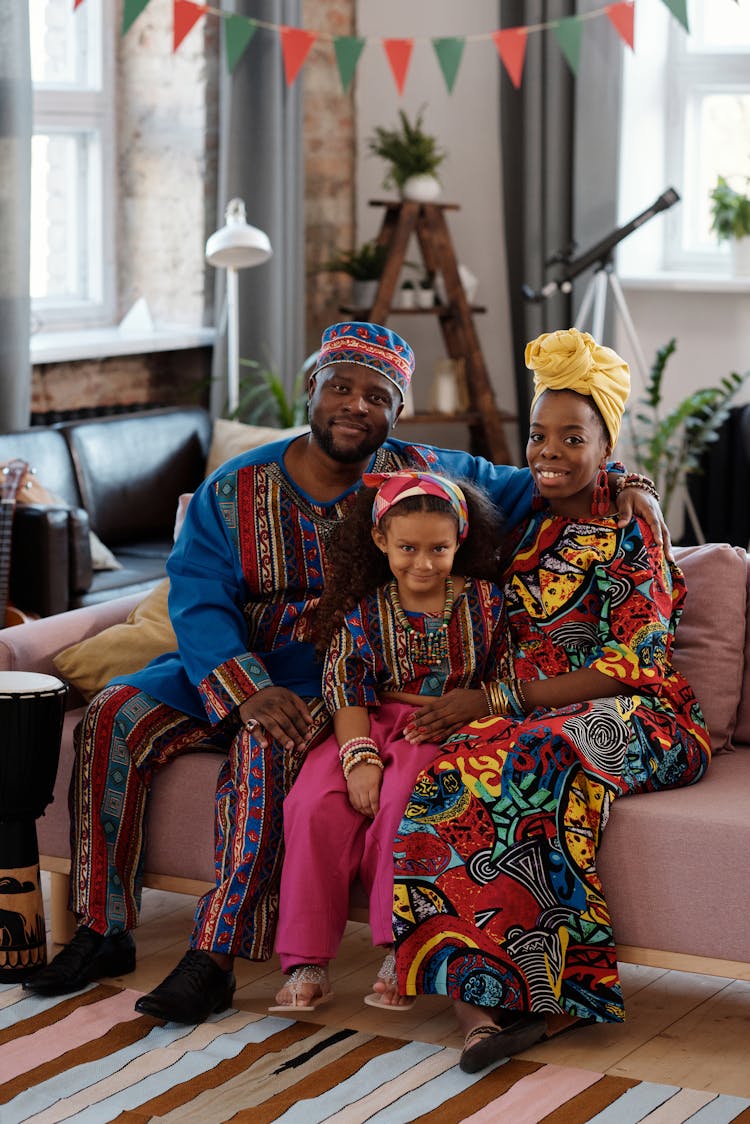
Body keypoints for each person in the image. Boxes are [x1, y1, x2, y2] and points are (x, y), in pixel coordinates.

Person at [22, 320, 667, 1026]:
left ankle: (214, 957)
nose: (355, 405)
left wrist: (629, 481)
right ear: (312, 390)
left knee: (267, 750)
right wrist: (246, 687)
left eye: (377, 395)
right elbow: (198, 597)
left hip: (336, 677)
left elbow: (542, 477)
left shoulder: (423, 471)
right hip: (228, 662)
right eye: (340, 387)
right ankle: (102, 927)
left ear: (397, 411)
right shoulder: (232, 490)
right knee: (114, 712)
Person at [387, 327, 711, 1073]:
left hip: (641, 717)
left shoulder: (633, 532)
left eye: (573, 437)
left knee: (537, 756)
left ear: (606, 447)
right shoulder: (519, 515)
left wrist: (496, 696)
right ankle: (478, 1004)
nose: (549, 452)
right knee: (450, 771)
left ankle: (558, 996)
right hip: (527, 713)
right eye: (538, 436)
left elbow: (634, 663)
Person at [271, 470, 507, 1012]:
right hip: (367, 721)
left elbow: (503, 681)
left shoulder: (489, 605)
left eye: (438, 549)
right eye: (407, 548)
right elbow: (346, 687)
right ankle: (306, 960)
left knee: (405, 802)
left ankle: (402, 949)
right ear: (380, 541)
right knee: (311, 803)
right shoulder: (363, 612)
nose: (423, 563)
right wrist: (358, 761)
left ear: (459, 541)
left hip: (444, 727)